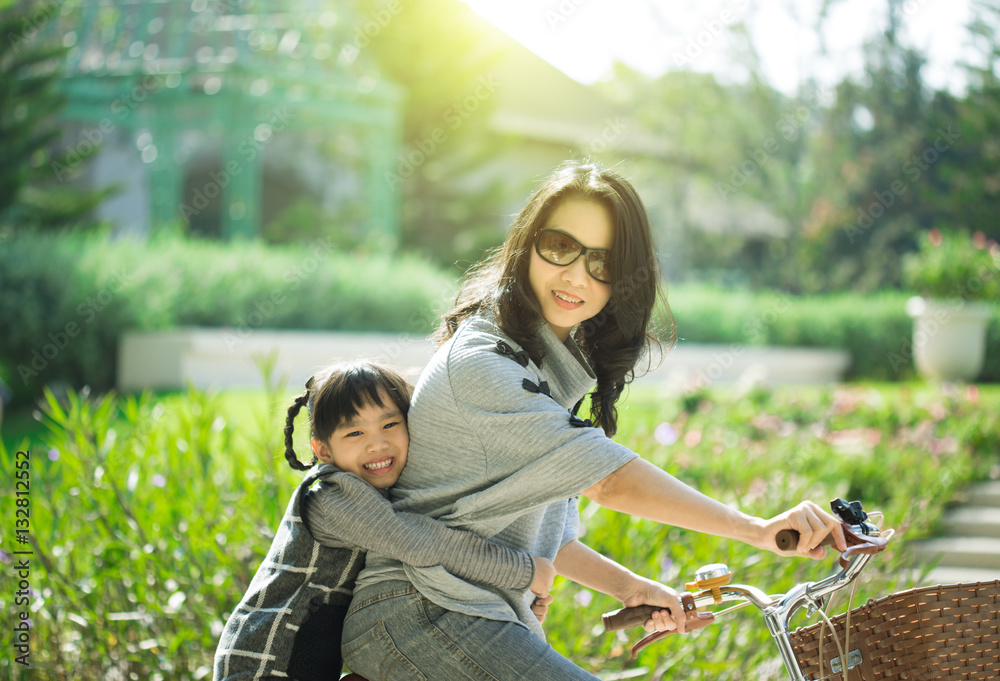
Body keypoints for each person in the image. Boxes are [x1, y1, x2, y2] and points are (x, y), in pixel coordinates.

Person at [341, 161, 848, 680]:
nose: (576, 275)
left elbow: (551, 541)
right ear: (525, 244)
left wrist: (631, 589)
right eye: (560, 246)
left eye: (602, 263)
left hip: (463, 614)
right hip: (420, 613)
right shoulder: (484, 365)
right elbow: (612, 483)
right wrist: (757, 530)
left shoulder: (541, 370)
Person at [212, 361, 556, 681]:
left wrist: (516, 602)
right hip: (264, 660)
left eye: (390, 425)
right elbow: (421, 542)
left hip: (306, 657)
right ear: (323, 451)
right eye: (354, 434)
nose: (378, 444)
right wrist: (523, 572)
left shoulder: (382, 494)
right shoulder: (332, 497)